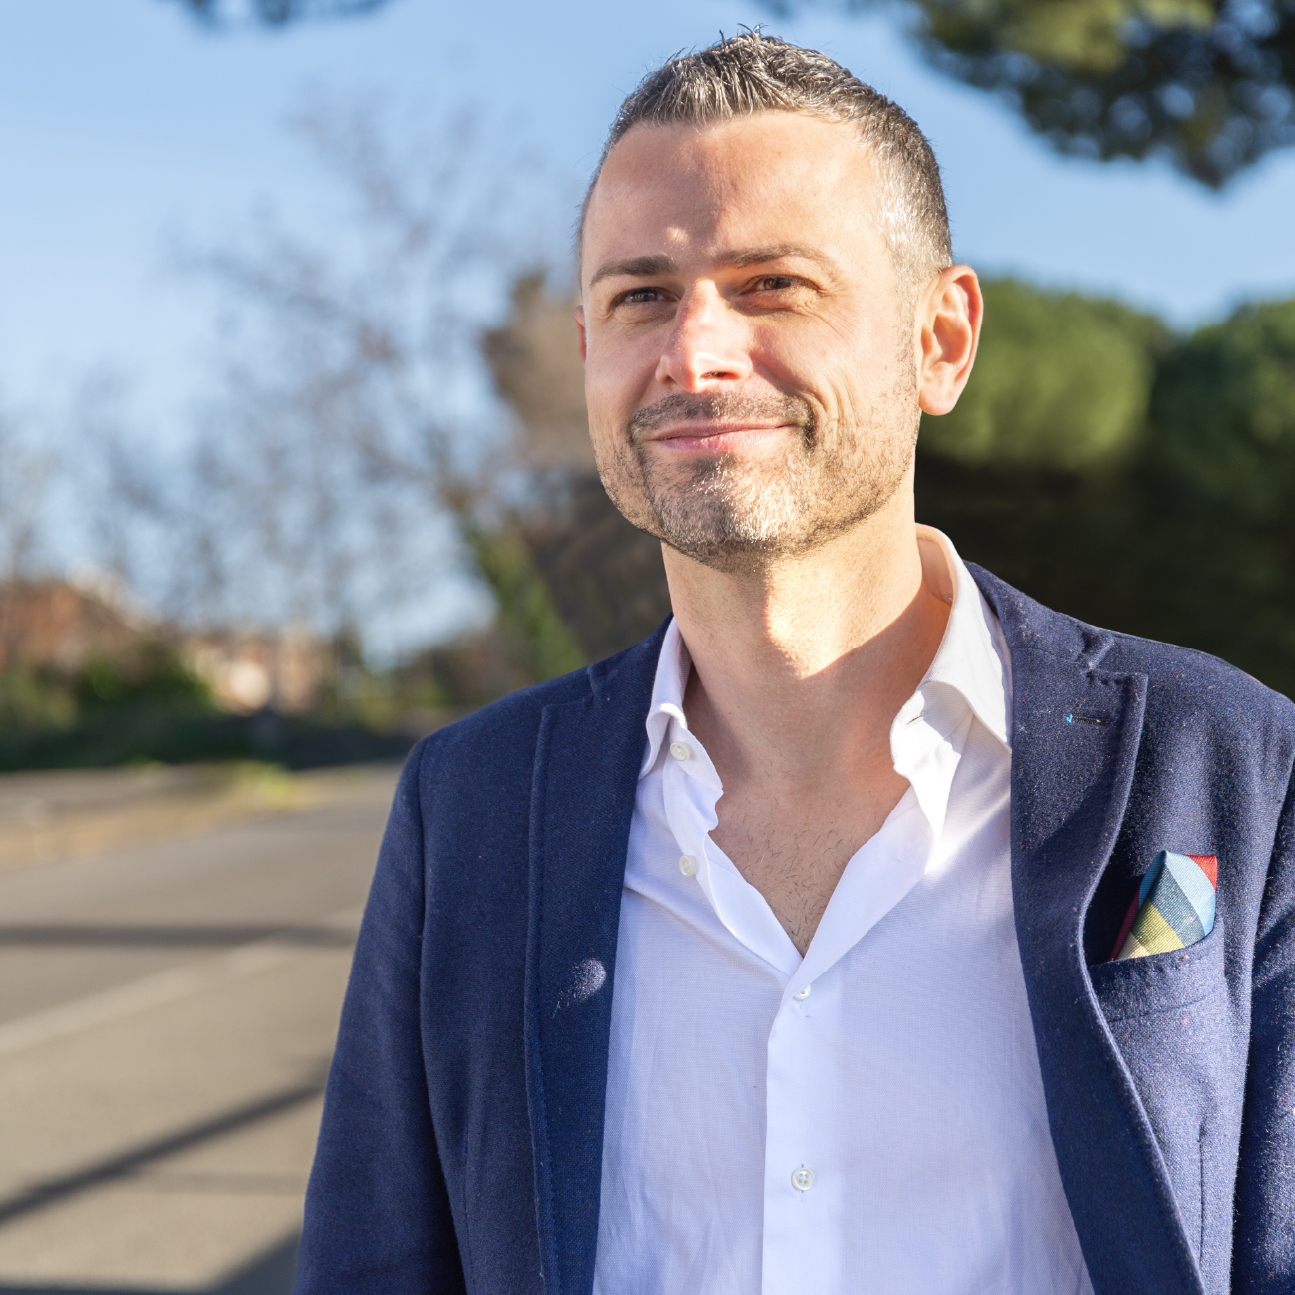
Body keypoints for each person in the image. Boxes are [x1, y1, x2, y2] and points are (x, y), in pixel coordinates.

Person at [294, 33, 1295, 1295]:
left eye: (771, 285)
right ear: (588, 350)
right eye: (640, 296)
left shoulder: (1229, 764)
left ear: (940, 340)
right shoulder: (472, 807)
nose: (694, 353)